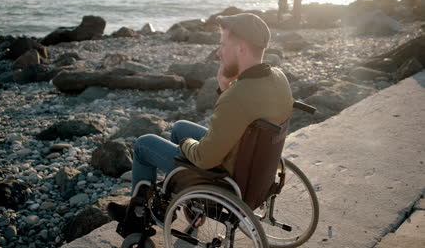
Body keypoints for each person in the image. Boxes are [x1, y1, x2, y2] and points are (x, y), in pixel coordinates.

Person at [107, 13, 293, 223]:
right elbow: (245, 113)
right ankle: (185, 203)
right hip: (253, 166)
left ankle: (138, 218)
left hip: (225, 177)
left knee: (144, 145)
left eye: (222, 45)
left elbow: (205, 158)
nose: (218, 53)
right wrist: (226, 88)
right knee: (179, 128)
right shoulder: (278, 77)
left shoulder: (236, 97)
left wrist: (187, 144)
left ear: (241, 48)